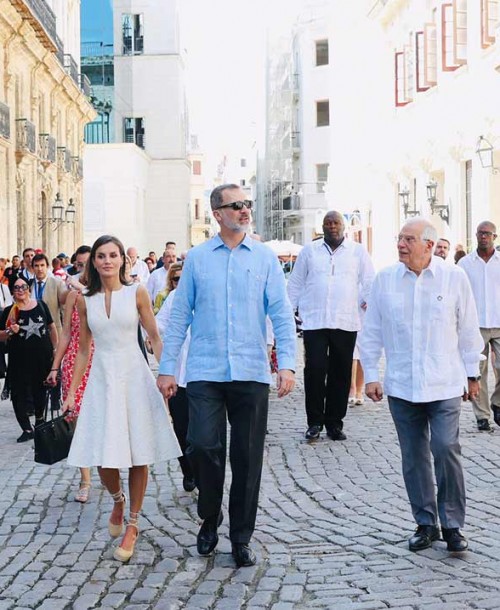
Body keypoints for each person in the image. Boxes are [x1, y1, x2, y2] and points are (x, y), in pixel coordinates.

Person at [157, 183, 296, 568]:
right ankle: (209, 515)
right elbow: (180, 315)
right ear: (217, 214)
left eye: (246, 204)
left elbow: (282, 313)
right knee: (202, 445)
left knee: (248, 457)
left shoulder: (265, 258)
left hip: (250, 370)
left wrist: (286, 363)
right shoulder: (199, 259)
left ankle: (240, 536)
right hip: (205, 370)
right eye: (236, 206)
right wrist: (168, 369)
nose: (244, 210)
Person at [359, 218, 483, 553]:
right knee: (413, 457)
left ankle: (453, 525)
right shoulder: (385, 280)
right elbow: (371, 331)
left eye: (408, 239)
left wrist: (473, 374)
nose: (400, 245)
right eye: (399, 238)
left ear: (429, 245)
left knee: (445, 449)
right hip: (402, 386)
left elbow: (469, 329)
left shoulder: (454, 277)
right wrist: (371, 373)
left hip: (444, 383)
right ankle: (426, 523)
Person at [62, 235, 181, 563]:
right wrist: (72, 392)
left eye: (113, 255)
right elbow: (84, 348)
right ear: (94, 262)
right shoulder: (86, 300)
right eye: (101, 256)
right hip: (102, 378)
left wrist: (166, 372)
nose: (107, 261)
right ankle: (117, 499)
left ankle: (133, 522)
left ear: (122, 261)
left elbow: (154, 336)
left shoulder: (137, 292)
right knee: (102, 454)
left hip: (133, 376)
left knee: (138, 451)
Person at [287, 211, 375, 441]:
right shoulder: (309, 251)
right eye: (328, 223)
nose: (332, 226)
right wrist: (289, 310)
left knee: (341, 373)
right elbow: (295, 283)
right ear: (322, 227)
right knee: (314, 370)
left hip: (346, 320)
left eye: (336, 222)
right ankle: (314, 422)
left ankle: (335, 423)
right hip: (315, 320)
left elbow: (368, 282)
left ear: (343, 226)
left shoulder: (357, 252)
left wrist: (370, 303)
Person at [46, 246, 93, 502]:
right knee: (75, 418)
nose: (85, 269)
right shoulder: (73, 295)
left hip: (101, 359)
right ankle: (85, 478)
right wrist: (55, 365)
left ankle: (108, 467)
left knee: (101, 417)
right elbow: (65, 333)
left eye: (89, 263)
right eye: (81, 264)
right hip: (76, 358)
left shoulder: (104, 294)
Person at [0, 277, 58, 442]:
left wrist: (56, 349)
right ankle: (26, 428)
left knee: (39, 391)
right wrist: (10, 332)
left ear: (29, 289)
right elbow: (1, 335)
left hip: (42, 358)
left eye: (23, 286)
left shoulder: (40, 305)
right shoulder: (9, 311)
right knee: (18, 394)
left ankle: (40, 422)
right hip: (19, 361)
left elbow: (52, 327)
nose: (20, 290)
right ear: (12, 292)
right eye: (16, 287)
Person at [155, 263, 195, 492]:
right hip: (179, 374)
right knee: (181, 428)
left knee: (202, 432)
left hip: (204, 375)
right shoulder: (174, 299)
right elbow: (158, 324)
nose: (180, 282)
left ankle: (202, 473)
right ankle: (188, 471)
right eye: (176, 279)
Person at [458, 221, 500, 431]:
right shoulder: (465, 264)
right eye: (480, 233)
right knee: (477, 371)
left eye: (487, 234)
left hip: (499, 322)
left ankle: (498, 403)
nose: (483, 237)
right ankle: (482, 415)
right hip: (475, 325)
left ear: (495, 236)